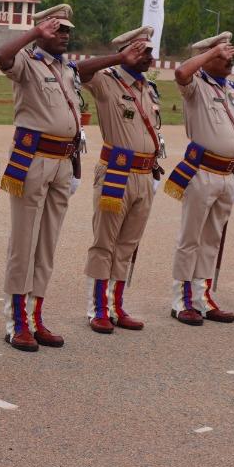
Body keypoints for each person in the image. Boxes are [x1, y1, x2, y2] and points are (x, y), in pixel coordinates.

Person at [0, 4, 82, 350]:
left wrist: (75, 167)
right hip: (33, 159)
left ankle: (35, 314)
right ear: (43, 30)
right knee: (24, 243)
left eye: (66, 31)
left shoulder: (67, 69)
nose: (64, 36)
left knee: (47, 244)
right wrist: (33, 33)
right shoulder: (27, 61)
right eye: (58, 29)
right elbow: (1, 56)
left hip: (62, 160)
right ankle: (16, 322)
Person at [73, 25, 163, 332]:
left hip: (144, 173)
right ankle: (97, 308)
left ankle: (116, 304)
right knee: (105, 243)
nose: (147, 56)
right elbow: (78, 71)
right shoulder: (106, 81)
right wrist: (116, 57)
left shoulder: (147, 88)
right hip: (116, 173)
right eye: (141, 51)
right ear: (124, 51)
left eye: (149, 51)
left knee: (127, 245)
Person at [166, 32, 234, 325]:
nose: (229, 60)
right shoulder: (195, 85)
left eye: (229, 55)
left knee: (212, 239)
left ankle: (202, 296)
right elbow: (181, 71)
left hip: (226, 173)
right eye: (221, 55)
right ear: (208, 57)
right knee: (191, 238)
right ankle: (181, 300)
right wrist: (210, 54)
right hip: (202, 172)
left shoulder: (232, 89)